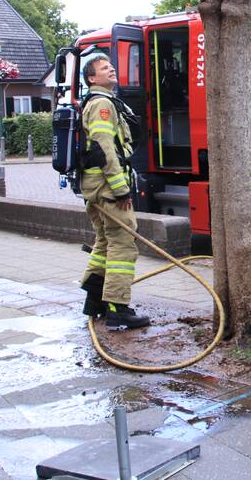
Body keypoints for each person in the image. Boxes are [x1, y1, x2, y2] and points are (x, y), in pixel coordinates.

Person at [78, 55, 150, 330]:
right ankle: (118, 307)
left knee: (105, 244)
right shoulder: (102, 105)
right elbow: (104, 148)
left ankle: (94, 300)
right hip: (107, 188)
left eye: (111, 65)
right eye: (103, 68)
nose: (111, 68)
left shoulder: (95, 102)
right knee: (123, 243)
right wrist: (121, 189)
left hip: (94, 187)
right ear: (92, 79)